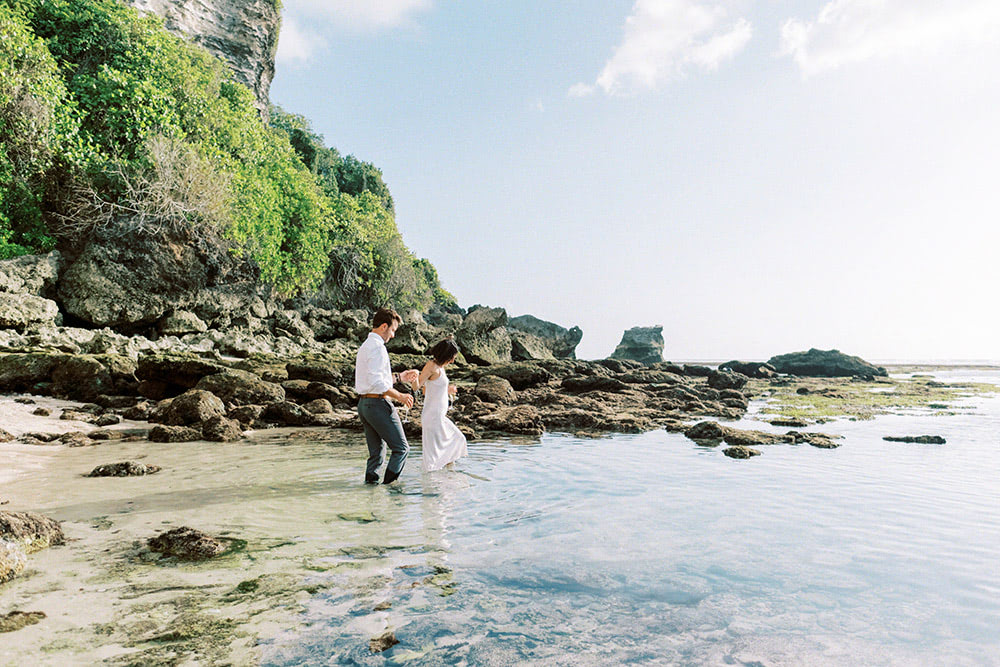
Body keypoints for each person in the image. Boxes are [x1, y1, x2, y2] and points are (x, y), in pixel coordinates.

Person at [355, 308, 419, 484]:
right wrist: (400, 396)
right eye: (392, 330)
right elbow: (377, 383)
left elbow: (375, 379)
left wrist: (400, 377)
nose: (392, 336)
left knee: (377, 454)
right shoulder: (377, 347)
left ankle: (372, 494)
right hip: (377, 404)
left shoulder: (366, 345)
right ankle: (391, 493)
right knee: (402, 449)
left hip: (364, 404)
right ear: (384, 326)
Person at [411, 338, 468, 472]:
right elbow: (418, 387)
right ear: (445, 355)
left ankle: (448, 478)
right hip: (433, 416)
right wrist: (414, 377)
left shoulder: (441, 368)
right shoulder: (431, 366)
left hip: (439, 416)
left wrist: (448, 390)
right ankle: (431, 484)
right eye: (452, 357)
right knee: (433, 454)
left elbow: (429, 389)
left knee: (457, 439)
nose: (453, 361)